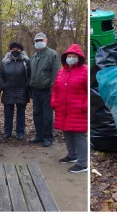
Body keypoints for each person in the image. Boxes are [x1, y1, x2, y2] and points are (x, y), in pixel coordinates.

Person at [51, 44, 88, 173]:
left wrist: (85, 105)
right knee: (67, 132)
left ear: (79, 58)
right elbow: (55, 88)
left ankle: (83, 163)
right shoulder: (62, 71)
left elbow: (91, 91)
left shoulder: (85, 71)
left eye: (73, 56)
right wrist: (54, 102)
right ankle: (72, 155)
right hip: (64, 109)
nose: (71, 58)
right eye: (69, 56)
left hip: (79, 109)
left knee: (79, 135)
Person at [29, 32, 61, 147]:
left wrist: (53, 89)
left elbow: (56, 73)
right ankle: (39, 135)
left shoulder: (52, 54)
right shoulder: (34, 56)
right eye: (36, 41)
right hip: (35, 89)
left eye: (40, 40)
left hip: (47, 90)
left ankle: (48, 137)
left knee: (47, 115)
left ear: (46, 40)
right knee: (37, 113)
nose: (38, 42)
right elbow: (30, 73)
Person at [0, 42, 31, 140]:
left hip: (22, 91)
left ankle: (20, 132)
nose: (15, 50)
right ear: (10, 50)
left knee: (21, 113)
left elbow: (29, 75)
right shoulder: (4, 62)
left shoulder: (25, 62)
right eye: (13, 49)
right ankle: (7, 131)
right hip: (8, 91)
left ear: (21, 50)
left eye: (17, 49)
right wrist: (3, 86)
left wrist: (27, 86)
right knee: (8, 113)